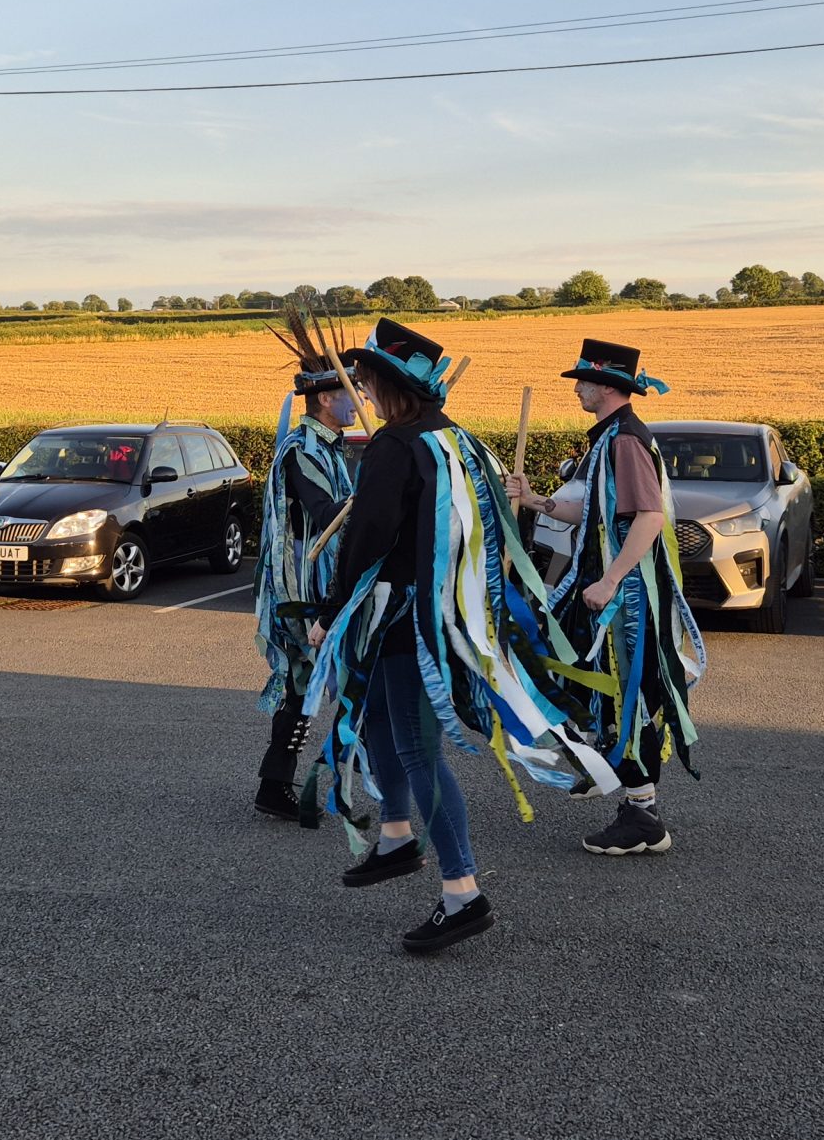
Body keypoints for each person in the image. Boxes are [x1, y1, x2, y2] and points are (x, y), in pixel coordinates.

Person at [305, 319, 612, 955]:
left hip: (408, 617)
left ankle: (462, 893)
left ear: (387, 384)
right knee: (377, 717)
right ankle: (397, 836)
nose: (361, 388)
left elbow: (366, 537)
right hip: (440, 610)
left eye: (366, 378)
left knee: (419, 751)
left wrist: (332, 611)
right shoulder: (456, 438)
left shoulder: (394, 446)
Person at [506, 339, 706, 857]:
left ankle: (642, 816)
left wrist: (611, 580)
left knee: (624, 695)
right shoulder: (611, 437)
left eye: (583, 381)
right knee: (598, 688)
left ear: (608, 386)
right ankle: (616, 779)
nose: (576, 389)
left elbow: (649, 518)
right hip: (615, 594)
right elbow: (598, 511)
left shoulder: (625, 441)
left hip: (628, 603)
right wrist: (535, 500)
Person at [252, 309, 361, 825]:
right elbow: (325, 514)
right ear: (325, 398)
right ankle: (279, 784)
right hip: (303, 583)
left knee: (306, 684)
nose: (359, 400)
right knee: (303, 680)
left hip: (321, 578)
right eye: (350, 391)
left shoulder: (329, 448)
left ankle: (277, 783)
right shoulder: (302, 450)